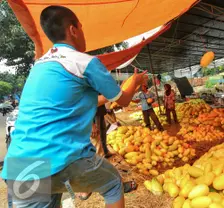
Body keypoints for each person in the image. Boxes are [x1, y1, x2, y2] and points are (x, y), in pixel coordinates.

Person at [2, 6, 145, 208]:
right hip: (59, 157)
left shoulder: (40, 66)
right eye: (81, 27)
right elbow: (123, 100)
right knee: (113, 184)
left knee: (51, 196)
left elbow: (77, 103)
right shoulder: (84, 62)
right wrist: (136, 81)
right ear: (73, 30)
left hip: (20, 165)